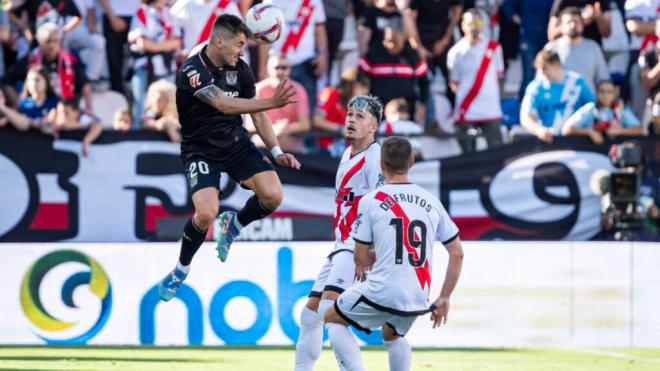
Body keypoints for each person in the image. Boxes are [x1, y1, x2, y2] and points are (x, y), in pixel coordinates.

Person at [157, 14, 300, 302]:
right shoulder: (192, 69)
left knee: (273, 196)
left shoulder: (241, 70)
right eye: (238, 44)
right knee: (206, 213)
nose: (242, 51)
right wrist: (272, 101)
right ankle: (180, 270)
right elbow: (223, 104)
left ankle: (234, 225)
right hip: (201, 149)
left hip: (235, 143)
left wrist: (276, 151)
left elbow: (256, 114)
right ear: (218, 41)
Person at [324, 136, 464, 371]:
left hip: (382, 289)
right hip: (418, 295)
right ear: (411, 162)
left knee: (331, 317)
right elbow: (457, 253)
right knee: (392, 333)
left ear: (381, 165)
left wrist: (375, 254)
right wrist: (445, 296)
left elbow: (359, 258)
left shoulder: (370, 201)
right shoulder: (431, 200)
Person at [294, 95, 385, 371]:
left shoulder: (374, 157)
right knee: (310, 314)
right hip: (340, 245)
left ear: (374, 126)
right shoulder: (346, 154)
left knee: (329, 310)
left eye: (360, 117)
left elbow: (381, 205)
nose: (351, 120)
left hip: (355, 245)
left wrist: (369, 249)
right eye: (349, 115)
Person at [447, 9, 504, 154]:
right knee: (468, 153)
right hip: (467, 109)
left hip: (490, 108)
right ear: (463, 25)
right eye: (470, 23)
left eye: (478, 22)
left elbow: (499, 76)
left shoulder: (494, 48)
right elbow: (454, 83)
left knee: (496, 150)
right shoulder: (455, 52)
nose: (474, 26)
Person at [2, 22, 92, 113]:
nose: (52, 45)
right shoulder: (30, 60)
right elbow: (5, 80)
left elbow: (85, 84)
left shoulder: (70, 61)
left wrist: (89, 107)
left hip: (63, 110)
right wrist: (19, 105)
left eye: (55, 41)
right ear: (40, 42)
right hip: (36, 111)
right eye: (48, 41)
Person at [261, 0, 328, 113]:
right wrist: (262, 67)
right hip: (277, 64)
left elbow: (320, 30)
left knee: (306, 111)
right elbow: (264, 37)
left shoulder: (314, 1)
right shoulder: (269, 2)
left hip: (305, 62)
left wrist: (322, 55)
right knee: (275, 111)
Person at [359, 19, 429, 123]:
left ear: (403, 39)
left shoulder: (412, 55)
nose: (391, 45)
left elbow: (424, 82)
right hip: (378, 112)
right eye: (388, 40)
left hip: (405, 112)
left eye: (395, 41)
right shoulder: (374, 52)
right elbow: (359, 78)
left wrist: (423, 104)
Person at [127, 0, 182, 128]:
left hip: (166, 67)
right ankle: (138, 134)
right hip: (144, 65)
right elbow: (142, 42)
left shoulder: (170, 14)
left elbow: (177, 42)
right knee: (141, 103)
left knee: (169, 103)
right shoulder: (142, 11)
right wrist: (163, 46)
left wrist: (155, 46)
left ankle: (168, 133)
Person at [520, 50, 595, 143]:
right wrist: (538, 130)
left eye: (545, 68)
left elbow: (593, 108)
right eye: (539, 69)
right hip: (548, 142)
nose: (542, 73)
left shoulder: (577, 82)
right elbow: (525, 118)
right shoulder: (535, 87)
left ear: (557, 64)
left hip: (575, 142)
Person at [253, 53, 310, 153]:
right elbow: (249, 124)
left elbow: (305, 124)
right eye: (276, 68)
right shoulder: (258, 89)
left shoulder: (298, 89)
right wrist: (273, 130)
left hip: (291, 147)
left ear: (290, 70)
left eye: (284, 68)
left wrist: (284, 129)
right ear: (268, 69)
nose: (280, 72)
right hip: (263, 146)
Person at [544, 7, 610, 93]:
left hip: (588, 103)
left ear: (582, 24)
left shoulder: (593, 47)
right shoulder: (551, 49)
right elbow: (542, 81)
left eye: (576, 21)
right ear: (561, 26)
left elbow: (603, 80)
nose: (573, 25)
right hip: (558, 104)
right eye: (569, 22)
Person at [501, 0, 554, 99]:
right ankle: (523, 106)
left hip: (547, 40)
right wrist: (519, 20)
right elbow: (506, 5)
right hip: (528, 38)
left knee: (548, 73)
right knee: (528, 74)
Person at [563, 79, 642, 143]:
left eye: (609, 92)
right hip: (594, 154)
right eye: (602, 92)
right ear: (597, 93)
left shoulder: (621, 108)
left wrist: (618, 131)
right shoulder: (590, 108)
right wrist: (590, 132)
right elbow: (566, 129)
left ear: (615, 94)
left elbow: (639, 129)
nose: (605, 95)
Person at [313, 68, 370, 155]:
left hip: (344, 152)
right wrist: (340, 129)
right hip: (323, 150)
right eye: (361, 87)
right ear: (350, 85)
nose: (365, 92)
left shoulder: (357, 105)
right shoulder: (330, 93)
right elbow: (316, 120)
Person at [98, 0, 142, 93]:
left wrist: (144, 13)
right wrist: (112, 17)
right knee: (114, 61)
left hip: (139, 17)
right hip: (113, 16)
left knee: (141, 60)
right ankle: (118, 96)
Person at [0, 65, 58, 132]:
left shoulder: (54, 103)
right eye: (30, 80)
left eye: (37, 80)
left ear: (47, 82)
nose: (33, 83)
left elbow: (51, 121)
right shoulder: (23, 104)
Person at [548, 0, 612, 45]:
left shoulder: (600, 2)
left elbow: (607, 33)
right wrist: (571, 24)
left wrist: (598, 16)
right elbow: (551, 35)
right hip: (567, 53)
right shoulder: (562, 1)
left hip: (591, 54)